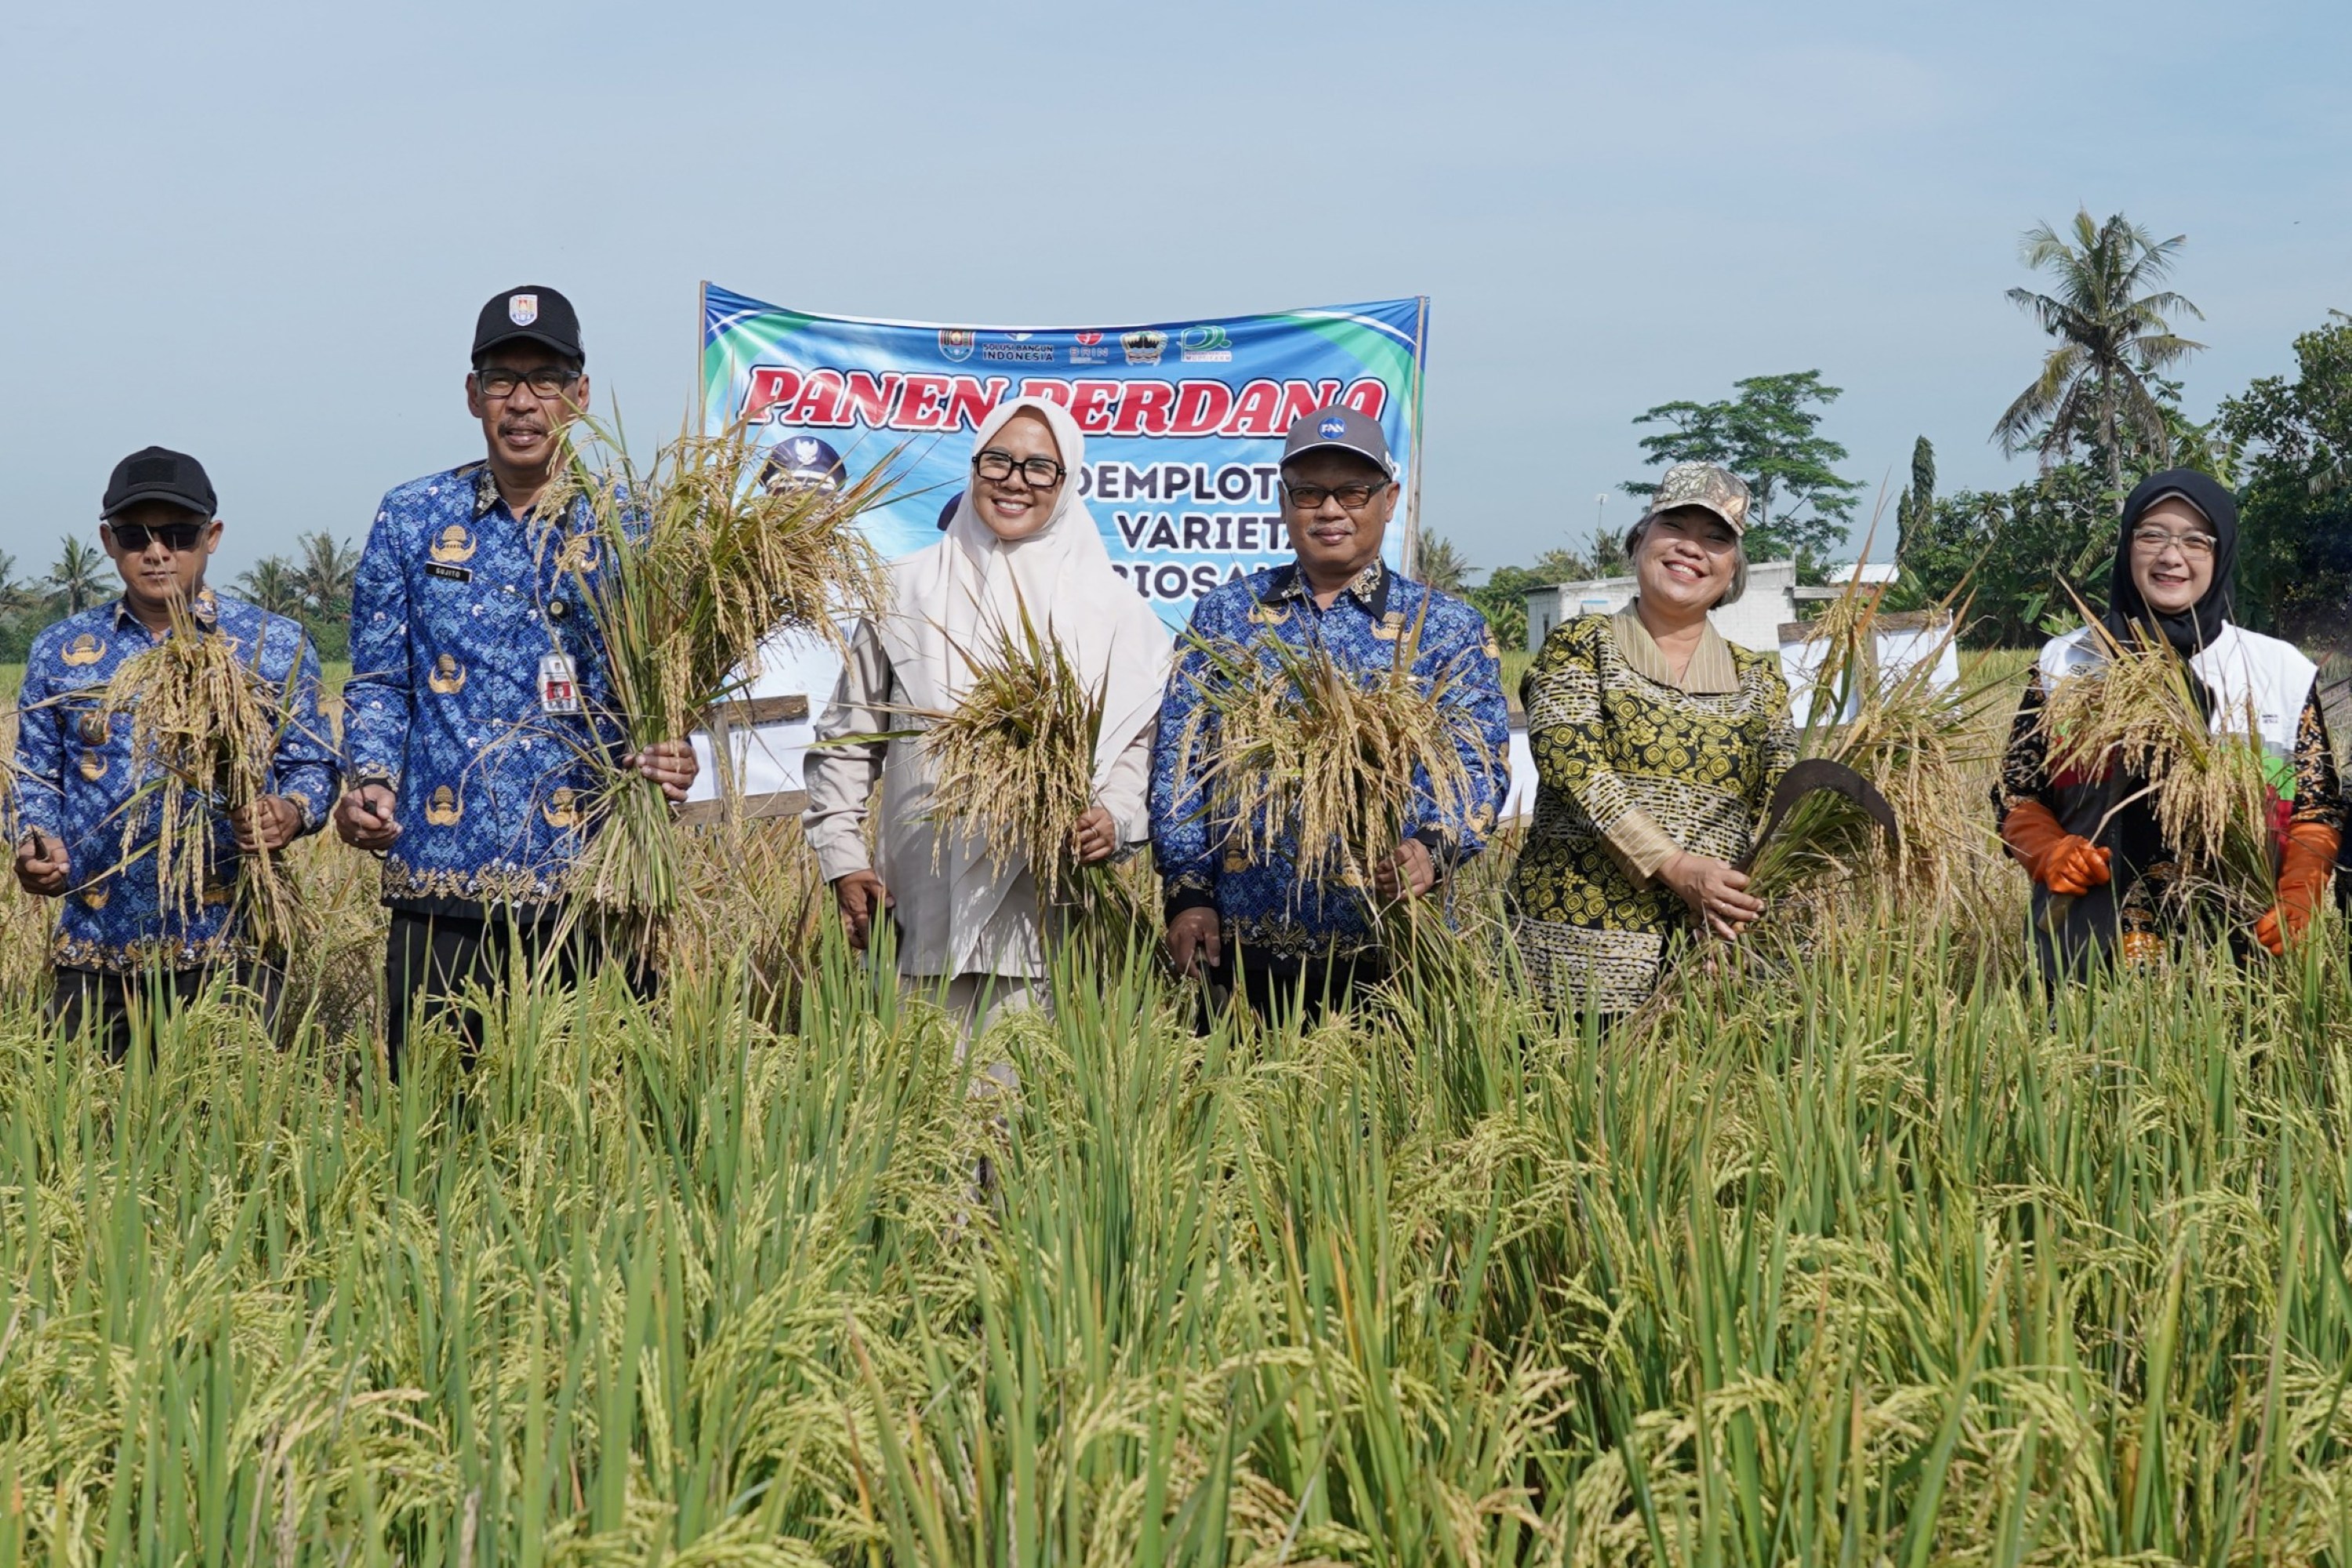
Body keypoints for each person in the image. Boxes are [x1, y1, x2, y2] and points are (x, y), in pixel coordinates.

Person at [335, 286, 699, 1076]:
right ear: (473, 395)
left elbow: (671, 689)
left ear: (582, 395)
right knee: (431, 1126)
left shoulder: (633, 525)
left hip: (594, 886)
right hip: (440, 877)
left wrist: (676, 750)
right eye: (503, 378)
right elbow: (375, 682)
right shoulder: (412, 517)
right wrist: (365, 778)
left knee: (596, 1124)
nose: (525, 401)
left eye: (548, 379)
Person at [804, 394, 1172, 1036]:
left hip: (1045, 922)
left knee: (1032, 1121)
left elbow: (1137, 747)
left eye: (1039, 468)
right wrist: (843, 858)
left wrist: (1113, 819)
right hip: (917, 912)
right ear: (973, 466)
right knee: (907, 1113)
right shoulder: (904, 590)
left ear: (1068, 481)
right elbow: (846, 741)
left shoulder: (1115, 613)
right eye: (997, 460)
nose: (1013, 480)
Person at [1150, 405, 1511, 1022]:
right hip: (1240, 946)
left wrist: (1431, 847)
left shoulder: (1445, 628)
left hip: (1391, 940)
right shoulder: (1228, 617)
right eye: (1309, 493)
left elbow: (1477, 762)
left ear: (1389, 500)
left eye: (1352, 492)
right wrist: (1187, 891)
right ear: (1284, 501)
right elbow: (1181, 764)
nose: (1330, 510)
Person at [11, 447, 336, 1058]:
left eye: (178, 534)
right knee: (85, 1130)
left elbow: (315, 764)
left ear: (211, 536)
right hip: (96, 942)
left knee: (225, 1131)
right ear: (108, 541)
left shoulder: (270, 644)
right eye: (135, 535)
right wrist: (35, 842)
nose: (157, 551)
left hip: (233, 945)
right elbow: (33, 775)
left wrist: (290, 811)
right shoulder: (61, 651)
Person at [1994, 468, 2342, 975]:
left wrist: (2301, 886)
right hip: (2087, 957)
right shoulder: (2065, 663)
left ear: (2220, 556)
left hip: (2236, 957)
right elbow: (2017, 792)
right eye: (2151, 535)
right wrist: (2046, 849)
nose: (2171, 556)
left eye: (2196, 541)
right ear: (2127, 546)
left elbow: (2318, 805)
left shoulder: (2277, 671)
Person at [1507, 463, 1795, 1015]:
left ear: (1733, 571)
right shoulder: (1582, 645)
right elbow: (1576, 769)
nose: (1692, 548)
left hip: (1703, 969)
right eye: (1675, 528)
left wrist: (1743, 914)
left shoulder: (1759, 681)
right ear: (1639, 540)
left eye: (1715, 539)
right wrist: (1676, 867)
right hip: (1567, 969)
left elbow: (1781, 817)